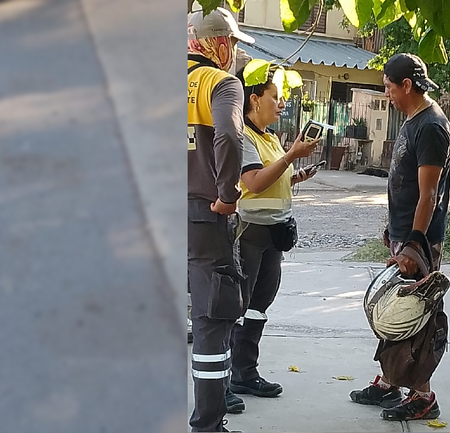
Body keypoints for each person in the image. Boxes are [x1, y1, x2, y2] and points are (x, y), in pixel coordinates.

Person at [349, 53, 450, 421]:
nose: (388, 94)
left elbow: (429, 195)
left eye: (389, 87)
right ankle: (391, 382)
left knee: (417, 318)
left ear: (406, 86)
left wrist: (412, 243)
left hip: (420, 242)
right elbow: (407, 186)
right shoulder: (414, 120)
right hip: (404, 236)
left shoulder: (431, 127)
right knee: (396, 313)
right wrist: (394, 232)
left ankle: (423, 396)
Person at [228, 66, 320, 399]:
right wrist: (291, 156)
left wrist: (295, 174)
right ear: (254, 99)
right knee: (239, 305)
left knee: (260, 304)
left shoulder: (269, 137)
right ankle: (224, 377)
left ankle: (246, 373)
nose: (282, 105)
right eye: (275, 98)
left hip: (275, 231)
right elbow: (252, 182)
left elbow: (271, 179)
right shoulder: (245, 137)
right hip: (251, 232)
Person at [186, 6, 255, 432]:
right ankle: (208, 424)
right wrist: (228, 195)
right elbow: (229, 135)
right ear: (220, 43)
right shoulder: (222, 83)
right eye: (231, 43)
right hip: (202, 217)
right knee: (212, 319)